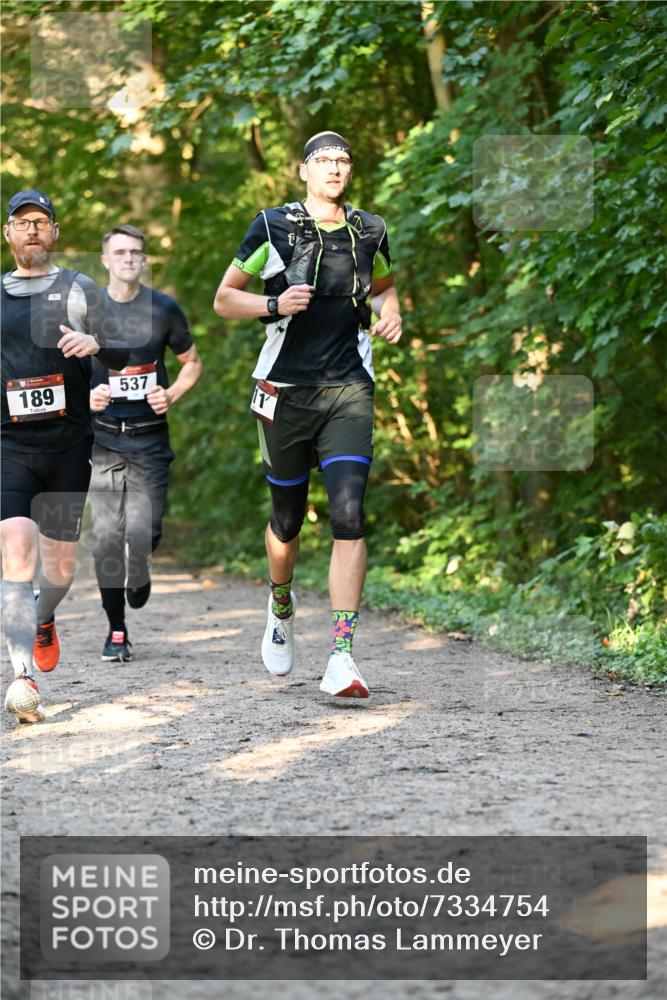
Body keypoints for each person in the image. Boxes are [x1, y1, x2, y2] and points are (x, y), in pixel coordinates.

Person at [214, 131, 402, 698]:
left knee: (349, 514)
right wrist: (273, 303)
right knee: (288, 521)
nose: (335, 169)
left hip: (349, 389)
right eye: (324, 161)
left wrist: (390, 314)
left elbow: (386, 290)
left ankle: (342, 656)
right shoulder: (272, 226)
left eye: (343, 160)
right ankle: (280, 603)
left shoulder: (371, 229)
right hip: (283, 391)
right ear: (303, 170)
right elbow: (225, 298)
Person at [1, 189, 128, 724]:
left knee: (57, 571)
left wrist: (96, 345)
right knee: (15, 545)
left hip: (69, 446)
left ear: (54, 233)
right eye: (21, 222)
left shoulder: (80, 289)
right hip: (9, 445)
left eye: (41, 222)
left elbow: (126, 352)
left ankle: (43, 618)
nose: (32, 230)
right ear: (8, 233)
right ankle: (21, 672)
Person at [89, 224, 202, 662]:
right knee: (105, 537)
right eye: (119, 252)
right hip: (102, 442)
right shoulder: (86, 311)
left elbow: (191, 363)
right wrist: (88, 395)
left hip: (150, 441)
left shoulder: (163, 309)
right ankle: (117, 631)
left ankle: (141, 565)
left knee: (145, 532)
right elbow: (62, 369)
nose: (128, 259)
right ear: (105, 260)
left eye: (135, 252)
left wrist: (171, 393)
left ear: (144, 260)